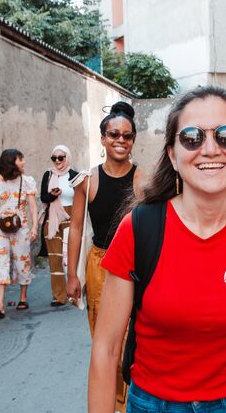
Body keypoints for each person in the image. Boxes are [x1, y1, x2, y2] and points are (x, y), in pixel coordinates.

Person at [88, 86, 226, 413]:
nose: (210, 149)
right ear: (172, 155)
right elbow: (106, 348)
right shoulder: (139, 230)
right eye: (192, 138)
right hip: (154, 405)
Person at [67, 101, 145, 412]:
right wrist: (72, 275)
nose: (120, 141)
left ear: (133, 140)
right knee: (106, 342)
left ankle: (130, 401)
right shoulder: (88, 181)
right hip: (100, 266)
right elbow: (75, 228)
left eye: (127, 136)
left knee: (134, 341)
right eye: (114, 134)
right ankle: (111, 403)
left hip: (135, 268)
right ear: (103, 138)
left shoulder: (143, 180)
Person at [0, 149, 38, 319]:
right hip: (0, 227)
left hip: (21, 227)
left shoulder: (27, 182)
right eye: (20, 159)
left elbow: (33, 206)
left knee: (22, 260)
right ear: (12, 162)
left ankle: (23, 297)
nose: (24, 162)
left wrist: (34, 228)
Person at [40, 145, 78, 307]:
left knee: (71, 258)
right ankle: (59, 296)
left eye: (61, 157)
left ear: (67, 157)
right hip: (53, 219)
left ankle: (75, 293)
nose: (57, 161)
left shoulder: (75, 176)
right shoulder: (48, 175)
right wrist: (52, 195)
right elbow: (43, 197)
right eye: (54, 158)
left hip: (70, 217)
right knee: (55, 258)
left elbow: (81, 199)